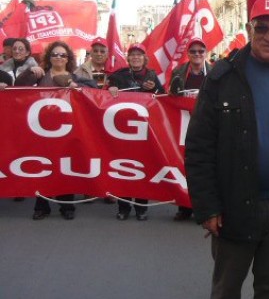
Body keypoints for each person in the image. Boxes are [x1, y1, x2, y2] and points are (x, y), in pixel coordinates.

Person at [185, 0, 269, 299]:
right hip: (235, 205)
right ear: (249, 29)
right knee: (226, 289)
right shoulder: (223, 76)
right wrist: (207, 207)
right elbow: (198, 148)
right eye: (261, 28)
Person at [20, 40, 97, 220]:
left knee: (66, 168)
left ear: (68, 58)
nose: (58, 57)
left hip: (67, 130)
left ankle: (66, 205)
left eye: (62, 54)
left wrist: (76, 86)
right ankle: (42, 205)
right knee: (43, 168)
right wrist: (29, 71)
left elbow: (94, 89)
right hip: (42, 131)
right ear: (49, 57)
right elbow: (18, 86)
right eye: (55, 54)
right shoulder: (40, 76)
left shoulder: (75, 77)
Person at [108, 43, 165, 221]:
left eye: (139, 55)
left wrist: (154, 89)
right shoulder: (118, 76)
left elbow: (163, 98)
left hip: (144, 130)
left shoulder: (152, 75)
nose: (135, 57)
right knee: (123, 169)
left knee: (143, 169)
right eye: (132, 54)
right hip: (122, 130)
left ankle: (141, 207)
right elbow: (104, 95)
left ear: (144, 58)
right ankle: (123, 207)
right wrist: (110, 90)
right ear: (128, 58)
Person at [169, 37, 212, 221]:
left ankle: (202, 208)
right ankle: (184, 207)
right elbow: (170, 95)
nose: (197, 55)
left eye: (200, 51)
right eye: (193, 51)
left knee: (205, 166)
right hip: (184, 124)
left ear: (205, 54)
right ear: (188, 54)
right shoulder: (179, 71)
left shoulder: (213, 71)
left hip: (207, 124)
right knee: (183, 162)